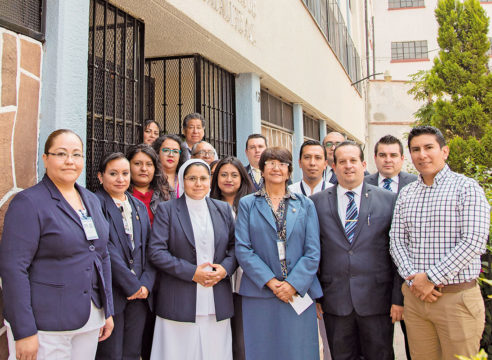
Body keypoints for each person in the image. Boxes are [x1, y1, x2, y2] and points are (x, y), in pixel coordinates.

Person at [0, 129, 114, 360]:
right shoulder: (29, 203)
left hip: (90, 318)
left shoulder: (91, 200)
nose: (70, 161)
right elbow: (14, 269)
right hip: (45, 325)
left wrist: (106, 310)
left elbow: (102, 255)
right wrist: (24, 331)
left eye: (76, 154)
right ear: (46, 159)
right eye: (61, 154)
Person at [390, 126, 490, 360]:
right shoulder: (407, 193)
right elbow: (396, 239)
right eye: (415, 149)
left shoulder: (466, 188)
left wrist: (431, 278)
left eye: (428, 148)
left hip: (456, 300)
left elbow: (473, 241)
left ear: (444, 151)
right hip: (416, 299)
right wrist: (414, 279)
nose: (422, 154)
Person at [311, 141, 400, 360]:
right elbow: (312, 250)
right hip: (335, 300)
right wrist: (316, 295)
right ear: (333, 166)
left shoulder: (389, 200)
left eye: (353, 161)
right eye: (342, 162)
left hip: (378, 300)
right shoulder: (316, 203)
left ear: (364, 164)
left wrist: (398, 298)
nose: (348, 166)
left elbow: (397, 252)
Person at [235, 147, 322, 360]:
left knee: (298, 351)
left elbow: (313, 251)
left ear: (289, 171)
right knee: (263, 350)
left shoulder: (305, 204)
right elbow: (243, 248)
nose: (276, 168)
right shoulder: (248, 203)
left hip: (298, 291)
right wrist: (272, 282)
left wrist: (292, 284)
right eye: (270, 163)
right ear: (261, 170)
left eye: (282, 163)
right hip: (261, 291)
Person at [148, 159, 237, 360]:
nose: (198, 184)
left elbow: (235, 247)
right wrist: (193, 273)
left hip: (216, 298)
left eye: (203, 178)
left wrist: (224, 269)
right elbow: (156, 252)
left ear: (210, 181)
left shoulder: (222, 209)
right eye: (192, 178)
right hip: (178, 299)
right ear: (182, 180)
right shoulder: (168, 210)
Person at [95, 152, 156, 360]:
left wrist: (145, 284)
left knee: (132, 352)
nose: (120, 179)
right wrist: (131, 285)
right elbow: (105, 248)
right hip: (113, 293)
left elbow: (149, 248)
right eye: (113, 173)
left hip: (140, 296)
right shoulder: (95, 204)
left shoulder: (138, 205)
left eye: (125, 173)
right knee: (110, 353)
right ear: (100, 176)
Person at [365, 134, 417, 360]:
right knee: (379, 348)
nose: (388, 160)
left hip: (411, 278)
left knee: (416, 346)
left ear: (402, 158)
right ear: (375, 158)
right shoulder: (362, 186)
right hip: (374, 282)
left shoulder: (417, 184)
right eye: (383, 155)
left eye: (394, 155)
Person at [211, 156, 254, 360]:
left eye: (234, 175)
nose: (229, 179)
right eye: (224, 174)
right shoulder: (207, 204)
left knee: (241, 340)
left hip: (245, 281)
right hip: (215, 280)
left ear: (242, 178)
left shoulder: (252, 205)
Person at [127, 144, 171, 225]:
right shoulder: (121, 194)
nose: (144, 168)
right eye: (137, 163)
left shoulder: (166, 192)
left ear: (155, 168)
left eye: (149, 164)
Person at [153, 134, 186, 199]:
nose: (171, 155)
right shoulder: (152, 178)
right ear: (157, 152)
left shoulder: (185, 178)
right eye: (166, 150)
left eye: (175, 151)